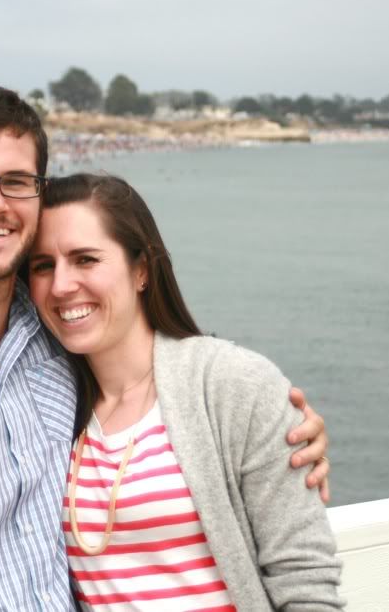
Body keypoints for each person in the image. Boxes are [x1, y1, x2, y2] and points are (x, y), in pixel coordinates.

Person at [0, 84, 330, 611]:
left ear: (38, 193)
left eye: (15, 182)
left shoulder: (55, 346)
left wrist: (271, 424)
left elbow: (178, 398)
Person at [28, 174, 342, 609]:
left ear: (141, 270)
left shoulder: (233, 384)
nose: (61, 285)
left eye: (85, 259)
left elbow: (305, 579)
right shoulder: (47, 406)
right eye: (43, 266)